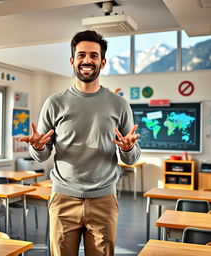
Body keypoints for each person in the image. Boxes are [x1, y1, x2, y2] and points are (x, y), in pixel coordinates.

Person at [20, 30, 141, 256]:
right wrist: (36, 147)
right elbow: (43, 154)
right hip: (63, 199)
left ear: (102, 62)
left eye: (94, 56)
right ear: (72, 60)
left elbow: (131, 157)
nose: (87, 60)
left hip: (104, 200)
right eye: (81, 55)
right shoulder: (54, 103)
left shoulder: (119, 104)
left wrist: (128, 148)